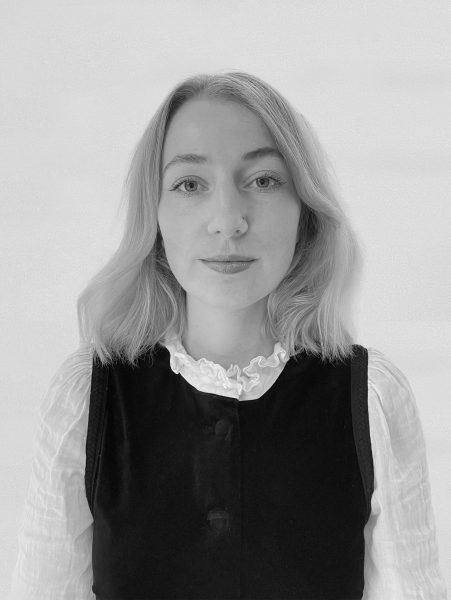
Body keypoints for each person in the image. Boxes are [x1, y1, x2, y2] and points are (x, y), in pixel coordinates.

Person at [8, 71, 447, 599]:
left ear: (304, 211)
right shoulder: (89, 399)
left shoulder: (370, 398)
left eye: (263, 180)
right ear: (155, 213)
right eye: (190, 184)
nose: (228, 221)